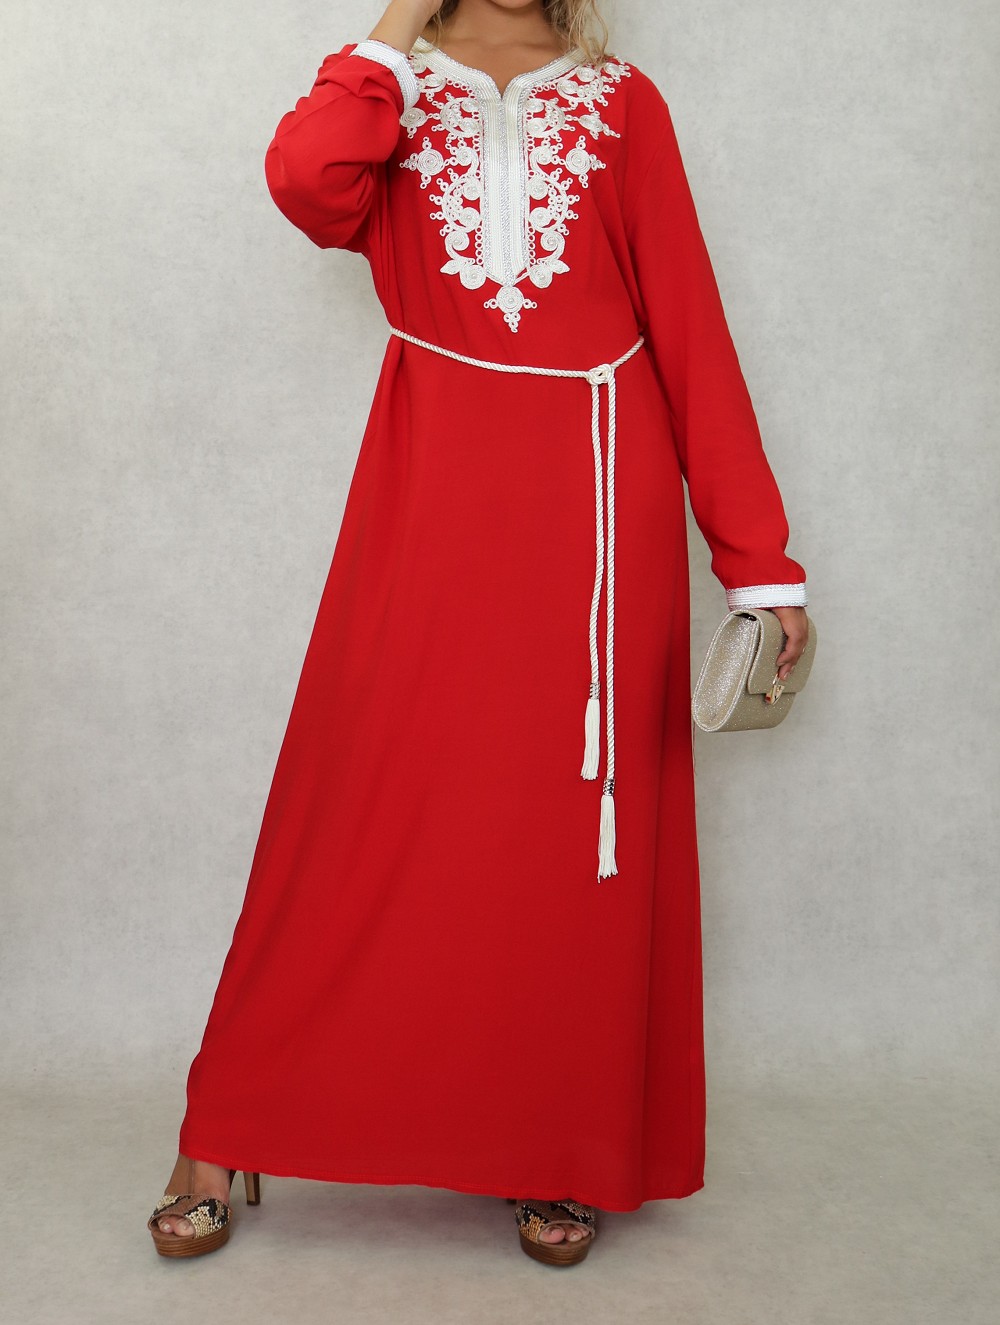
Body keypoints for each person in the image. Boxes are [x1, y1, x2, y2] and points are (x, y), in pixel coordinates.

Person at [147, 0, 810, 1268]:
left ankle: (552, 1142)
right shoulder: (388, 93)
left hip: (598, 508)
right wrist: (398, 25)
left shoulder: (622, 102)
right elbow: (306, 183)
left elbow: (688, 325)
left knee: (560, 836)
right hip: (432, 482)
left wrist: (757, 562)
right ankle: (224, 1125)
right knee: (354, 799)